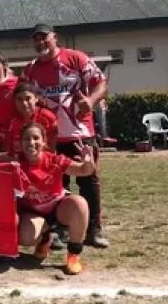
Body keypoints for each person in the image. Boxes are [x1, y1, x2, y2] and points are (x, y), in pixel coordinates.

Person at [21, 23, 109, 248]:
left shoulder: (76, 58)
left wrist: (90, 101)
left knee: (89, 181)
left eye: (44, 38)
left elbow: (101, 83)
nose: (40, 42)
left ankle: (95, 228)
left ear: (55, 37)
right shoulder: (30, 69)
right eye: (36, 39)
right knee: (55, 186)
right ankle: (60, 228)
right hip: (49, 138)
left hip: (79, 133)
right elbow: (26, 97)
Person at [17, 122, 96, 275]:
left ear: (44, 142)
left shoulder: (55, 160)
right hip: (33, 212)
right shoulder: (16, 164)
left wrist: (88, 161)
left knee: (80, 204)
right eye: (26, 139)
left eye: (36, 138)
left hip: (57, 208)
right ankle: (45, 238)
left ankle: (74, 255)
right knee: (26, 239)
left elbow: (85, 171)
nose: (31, 143)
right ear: (20, 143)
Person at [5, 82, 58, 155]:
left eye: (28, 98)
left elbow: (52, 147)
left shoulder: (47, 118)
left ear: (36, 98)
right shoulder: (11, 121)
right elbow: (10, 149)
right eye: (19, 99)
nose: (24, 103)